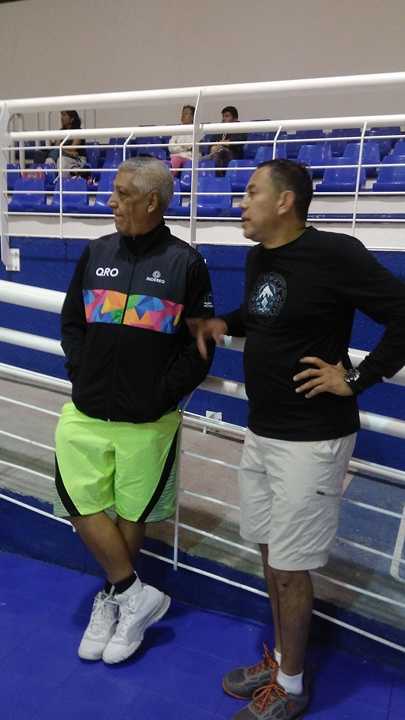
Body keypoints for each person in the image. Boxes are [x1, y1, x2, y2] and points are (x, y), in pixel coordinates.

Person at [193, 159, 405, 720]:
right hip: (263, 430)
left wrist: (356, 378)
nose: (240, 203)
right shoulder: (261, 256)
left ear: (285, 201)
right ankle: (284, 661)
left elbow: (403, 313)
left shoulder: (336, 253)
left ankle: (291, 686)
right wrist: (225, 323)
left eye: (251, 192)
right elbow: (264, 312)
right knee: (271, 552)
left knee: (290, 568)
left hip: (312, 441)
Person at [54, 157, 214, 665]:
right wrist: (81, 371)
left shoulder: (187, 264)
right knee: (76, 499)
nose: (111, 202)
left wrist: (159, 395)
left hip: (148, 420)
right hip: (87, 408)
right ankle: (132, 591)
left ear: (151, 201)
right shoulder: (96, 251)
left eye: (122, 194)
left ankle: (116, 602)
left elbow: (199, 348)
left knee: (131, 510)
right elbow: (72, 322)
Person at [168, 104, 198, 173]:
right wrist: (184, 148)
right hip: (176, 157)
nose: (183, 115)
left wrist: (179, 146)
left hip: (190, 158)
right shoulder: (177, 130)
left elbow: (191, 146)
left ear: (193, 117)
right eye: (183, 113)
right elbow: (171, 147)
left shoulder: (196, 130)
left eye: (186, 113)